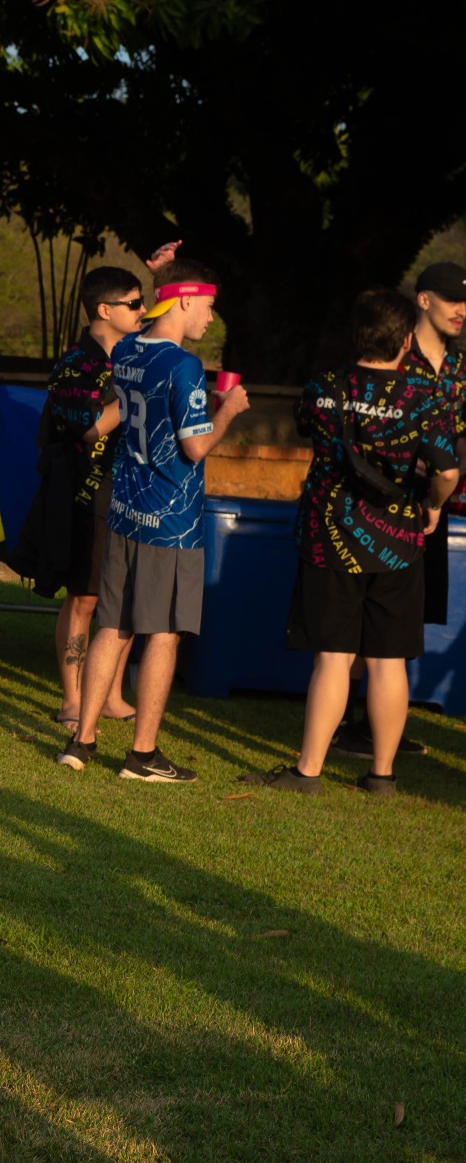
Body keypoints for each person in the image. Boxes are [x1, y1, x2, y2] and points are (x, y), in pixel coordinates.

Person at [241, 289, 459, 795]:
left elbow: (304, 428)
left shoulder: (324, 387)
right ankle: (382, 775)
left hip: (329, 536)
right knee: (387, 660)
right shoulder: (423, 397)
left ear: (354, 336)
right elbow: (447, 471)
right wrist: (433, 505)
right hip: (398, 542)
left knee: (333, 657)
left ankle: (308, 772)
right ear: (406, 341)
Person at [56, 258, 250, 782]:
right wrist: (228, 410)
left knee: (113, 624)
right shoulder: (184, 364)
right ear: (185, 299)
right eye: (208, 306)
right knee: (164, 633)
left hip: (124, 509)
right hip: (171, 519)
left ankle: (82, 741)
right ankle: (142, 756)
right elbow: (194, 447)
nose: (211, 317)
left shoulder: (126, 350)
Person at [329, 261, 466, 759]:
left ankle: (378, 724)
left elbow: (458, 438)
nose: (461, 310)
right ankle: (343, 723)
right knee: (356, 622)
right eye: (452, 299)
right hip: (377, 508)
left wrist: (445, 486)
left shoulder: (460, 368)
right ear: (423, 300)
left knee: (403, 624)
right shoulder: (391, 355)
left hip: (432, 506)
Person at [13, 265, 146, 728]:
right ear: (105, 310)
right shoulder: (75, 365)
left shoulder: (133, 357)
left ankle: (109, 694)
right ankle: (72, 698)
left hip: (130, 489)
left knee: (124, 598)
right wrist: (133, 393)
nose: (143, 311)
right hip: (84, 492)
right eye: (134, 303)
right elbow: (91, 428)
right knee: (84, 597)